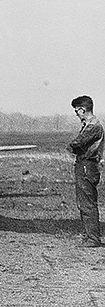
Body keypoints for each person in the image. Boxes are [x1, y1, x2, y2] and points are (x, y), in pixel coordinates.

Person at [69, 96, 103, 247]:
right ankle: (90, 236)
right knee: (84, 203)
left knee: (87, 203)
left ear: (83, 109)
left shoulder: (93, 126)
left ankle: (93, 238)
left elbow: (76, 144)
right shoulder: (88, 125)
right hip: (85, 165)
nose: (76, 113)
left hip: (87, 166)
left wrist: (72, 147)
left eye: (77, 110)